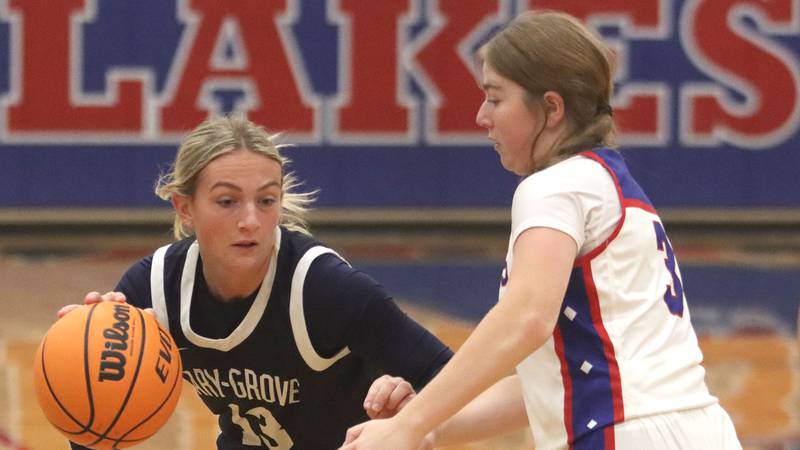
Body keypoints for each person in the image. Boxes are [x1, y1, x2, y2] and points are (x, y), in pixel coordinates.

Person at [340, 10, 742, 450]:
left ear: (551, 107)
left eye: (495, 98)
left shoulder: (555, 185)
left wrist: (406, 426)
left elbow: (525, 320)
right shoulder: (611, 184)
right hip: (698, 430)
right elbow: (555, 380)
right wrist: (431, 426)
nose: (481, 116)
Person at [57, 114, 453, 450]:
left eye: (266, 200)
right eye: (227, 201)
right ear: (185, 207)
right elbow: (94, 434)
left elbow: (452, 377)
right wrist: (86, 360)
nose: (251, 221)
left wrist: (413, 413)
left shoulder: (322, 287)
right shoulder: (155, 288)